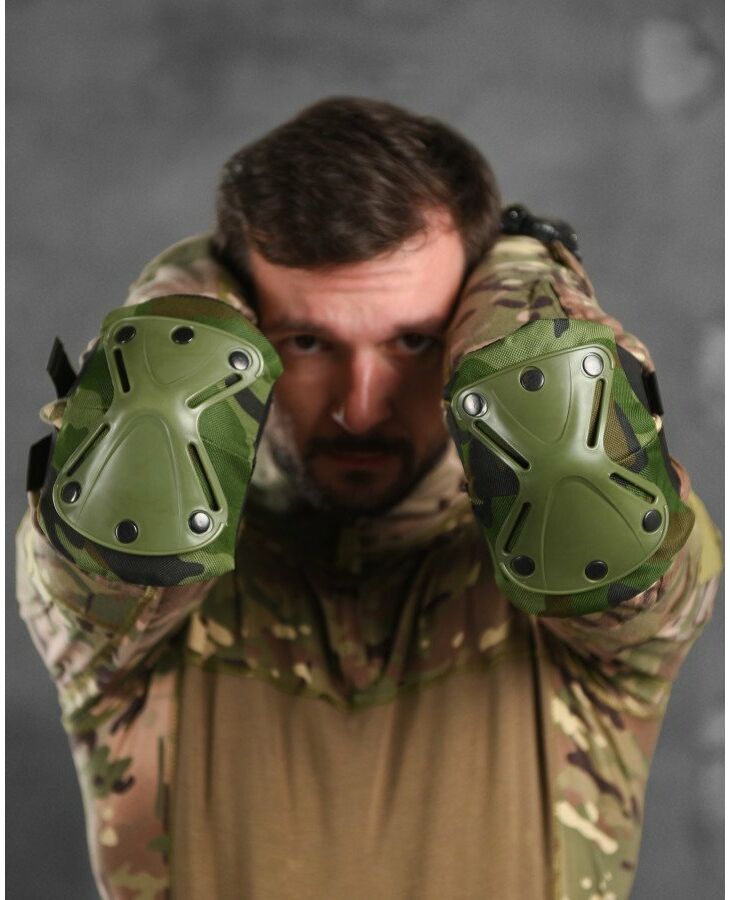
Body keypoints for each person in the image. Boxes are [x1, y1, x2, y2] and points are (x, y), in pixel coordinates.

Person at [16, 97, 722, 900]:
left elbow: (636, 568)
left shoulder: (585, 573)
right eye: (307, 342)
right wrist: (182, 299)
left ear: (471, 329)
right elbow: (101, 558)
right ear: (239, 329)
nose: (359, 408)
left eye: (413, 341)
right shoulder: (135, 589)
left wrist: (529, 279)